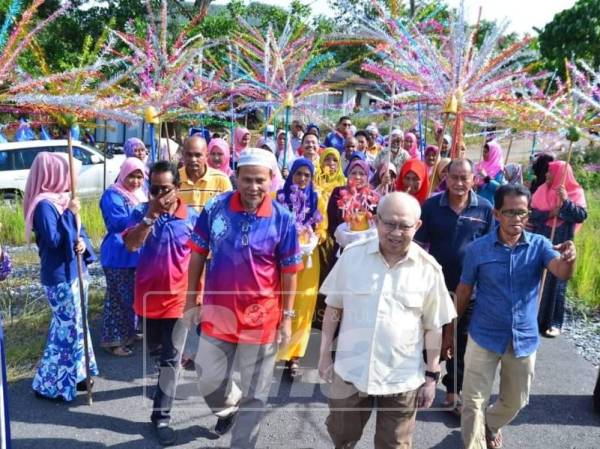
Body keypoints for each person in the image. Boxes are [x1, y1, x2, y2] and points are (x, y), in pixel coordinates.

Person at [318, 191, 457, 449]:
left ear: (417, 226)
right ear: (375, 221)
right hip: (351, 372)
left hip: (402, 379)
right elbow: (333, 309)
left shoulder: (428, 269)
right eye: (389, 223)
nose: (395, 232)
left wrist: (431, 376)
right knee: (342, 436)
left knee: (394, 444)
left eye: (404, 226)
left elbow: (433, 326)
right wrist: (324, 355)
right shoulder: (352, 256)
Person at [186, 148, 302, 449]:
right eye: (247, 179)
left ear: (271, 180)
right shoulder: (215, 208)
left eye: (260, 181)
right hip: (217, 313)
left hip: (261, 319)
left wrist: (287, 318)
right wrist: (190, 300)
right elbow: (198, 253)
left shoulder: (283, 219)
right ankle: (231, 402)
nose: (253, 187)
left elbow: (290, 271)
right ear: (235, 177)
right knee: (208, 379)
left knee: (256, 394)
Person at [451, 184, 577, 449]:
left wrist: (569, 259)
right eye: (509, 212)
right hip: (483, 335)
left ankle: (490, 423)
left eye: (522, 213)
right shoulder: (478, 249)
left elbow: (561, 272)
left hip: (523, 339)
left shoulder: (539, 245)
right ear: (497, 214)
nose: (516, 219)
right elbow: (464, 291)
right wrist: (449, 331)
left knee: (516, 400)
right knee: (473, 401)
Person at [123, 161, 194, 446]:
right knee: (155, 350)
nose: (161, 195)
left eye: (166, 189)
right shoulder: (141, 212)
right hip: (149, 299)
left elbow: (205, 256)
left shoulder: (192, 218)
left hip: (179, 301)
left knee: (170, 360)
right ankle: (166, 388)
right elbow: (131, 245)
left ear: (177, 188)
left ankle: (162, 415)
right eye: (155, 189)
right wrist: (150, 217)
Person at [416, 159, 494, 416]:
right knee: (430, 334)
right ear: (445, 177)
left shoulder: (484, 208)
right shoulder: (430, 206)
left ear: (474, 179)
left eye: (465, 178)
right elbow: (418, 245)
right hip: (434, 286)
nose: (459, 183)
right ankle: (425, 378)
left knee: (461, 341)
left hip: (469, 287)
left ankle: (453, 391)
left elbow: (491, 248)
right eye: (454, 177)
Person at [24, 152, 98, 401]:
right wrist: (68, 213)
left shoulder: (64, 199)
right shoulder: (44, 205)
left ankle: (77, 375)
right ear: (53, 174)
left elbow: (81, 232)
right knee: (66, 330)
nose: (70, 177)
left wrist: (83, 245)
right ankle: (48, 384)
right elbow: (54, 239)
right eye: (65, 172)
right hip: (60, 277)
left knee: (77, 326)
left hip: (77, 271)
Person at [275, 159, 328, 378]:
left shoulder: (318, 199)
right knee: (281, 299)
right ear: (291, 175)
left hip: (308, 258)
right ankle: (275, 348)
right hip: (281, 257)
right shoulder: (278, 198)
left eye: (307, 175)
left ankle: (295, 356)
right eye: (298, 174)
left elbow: (323, 228)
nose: (303, 179)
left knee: (304, 304)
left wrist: (316, 238)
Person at [530, 161, 587, 337]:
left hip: (561, 240)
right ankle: (532, 318)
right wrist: (550, 214)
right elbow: (532, 214)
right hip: (542, 238)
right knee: (537, 277)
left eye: (550, 172)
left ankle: (552, 322)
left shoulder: (575, 193)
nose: (547, 175)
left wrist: (565, 202)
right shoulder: (541, 190)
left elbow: (581, 215)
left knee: (556, 281)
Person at [99, 157, 148, 357]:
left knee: (132, 297)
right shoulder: (113, 195)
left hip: (136, 254)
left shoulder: (139, 193)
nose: (135, 181)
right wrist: (142, 214)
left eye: (139, 177)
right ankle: (114, 341)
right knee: (118, 299)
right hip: (118, 255)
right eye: (131, 176)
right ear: (122, 175)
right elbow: (116, 224)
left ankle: (128, 333)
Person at [177, 136, 232, 215]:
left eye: (198, 155)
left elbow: (227, 213)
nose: (193, 159)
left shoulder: (221, 180)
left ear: (206, 156)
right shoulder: (174, 178)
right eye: (189, 155)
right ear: (183, 155)